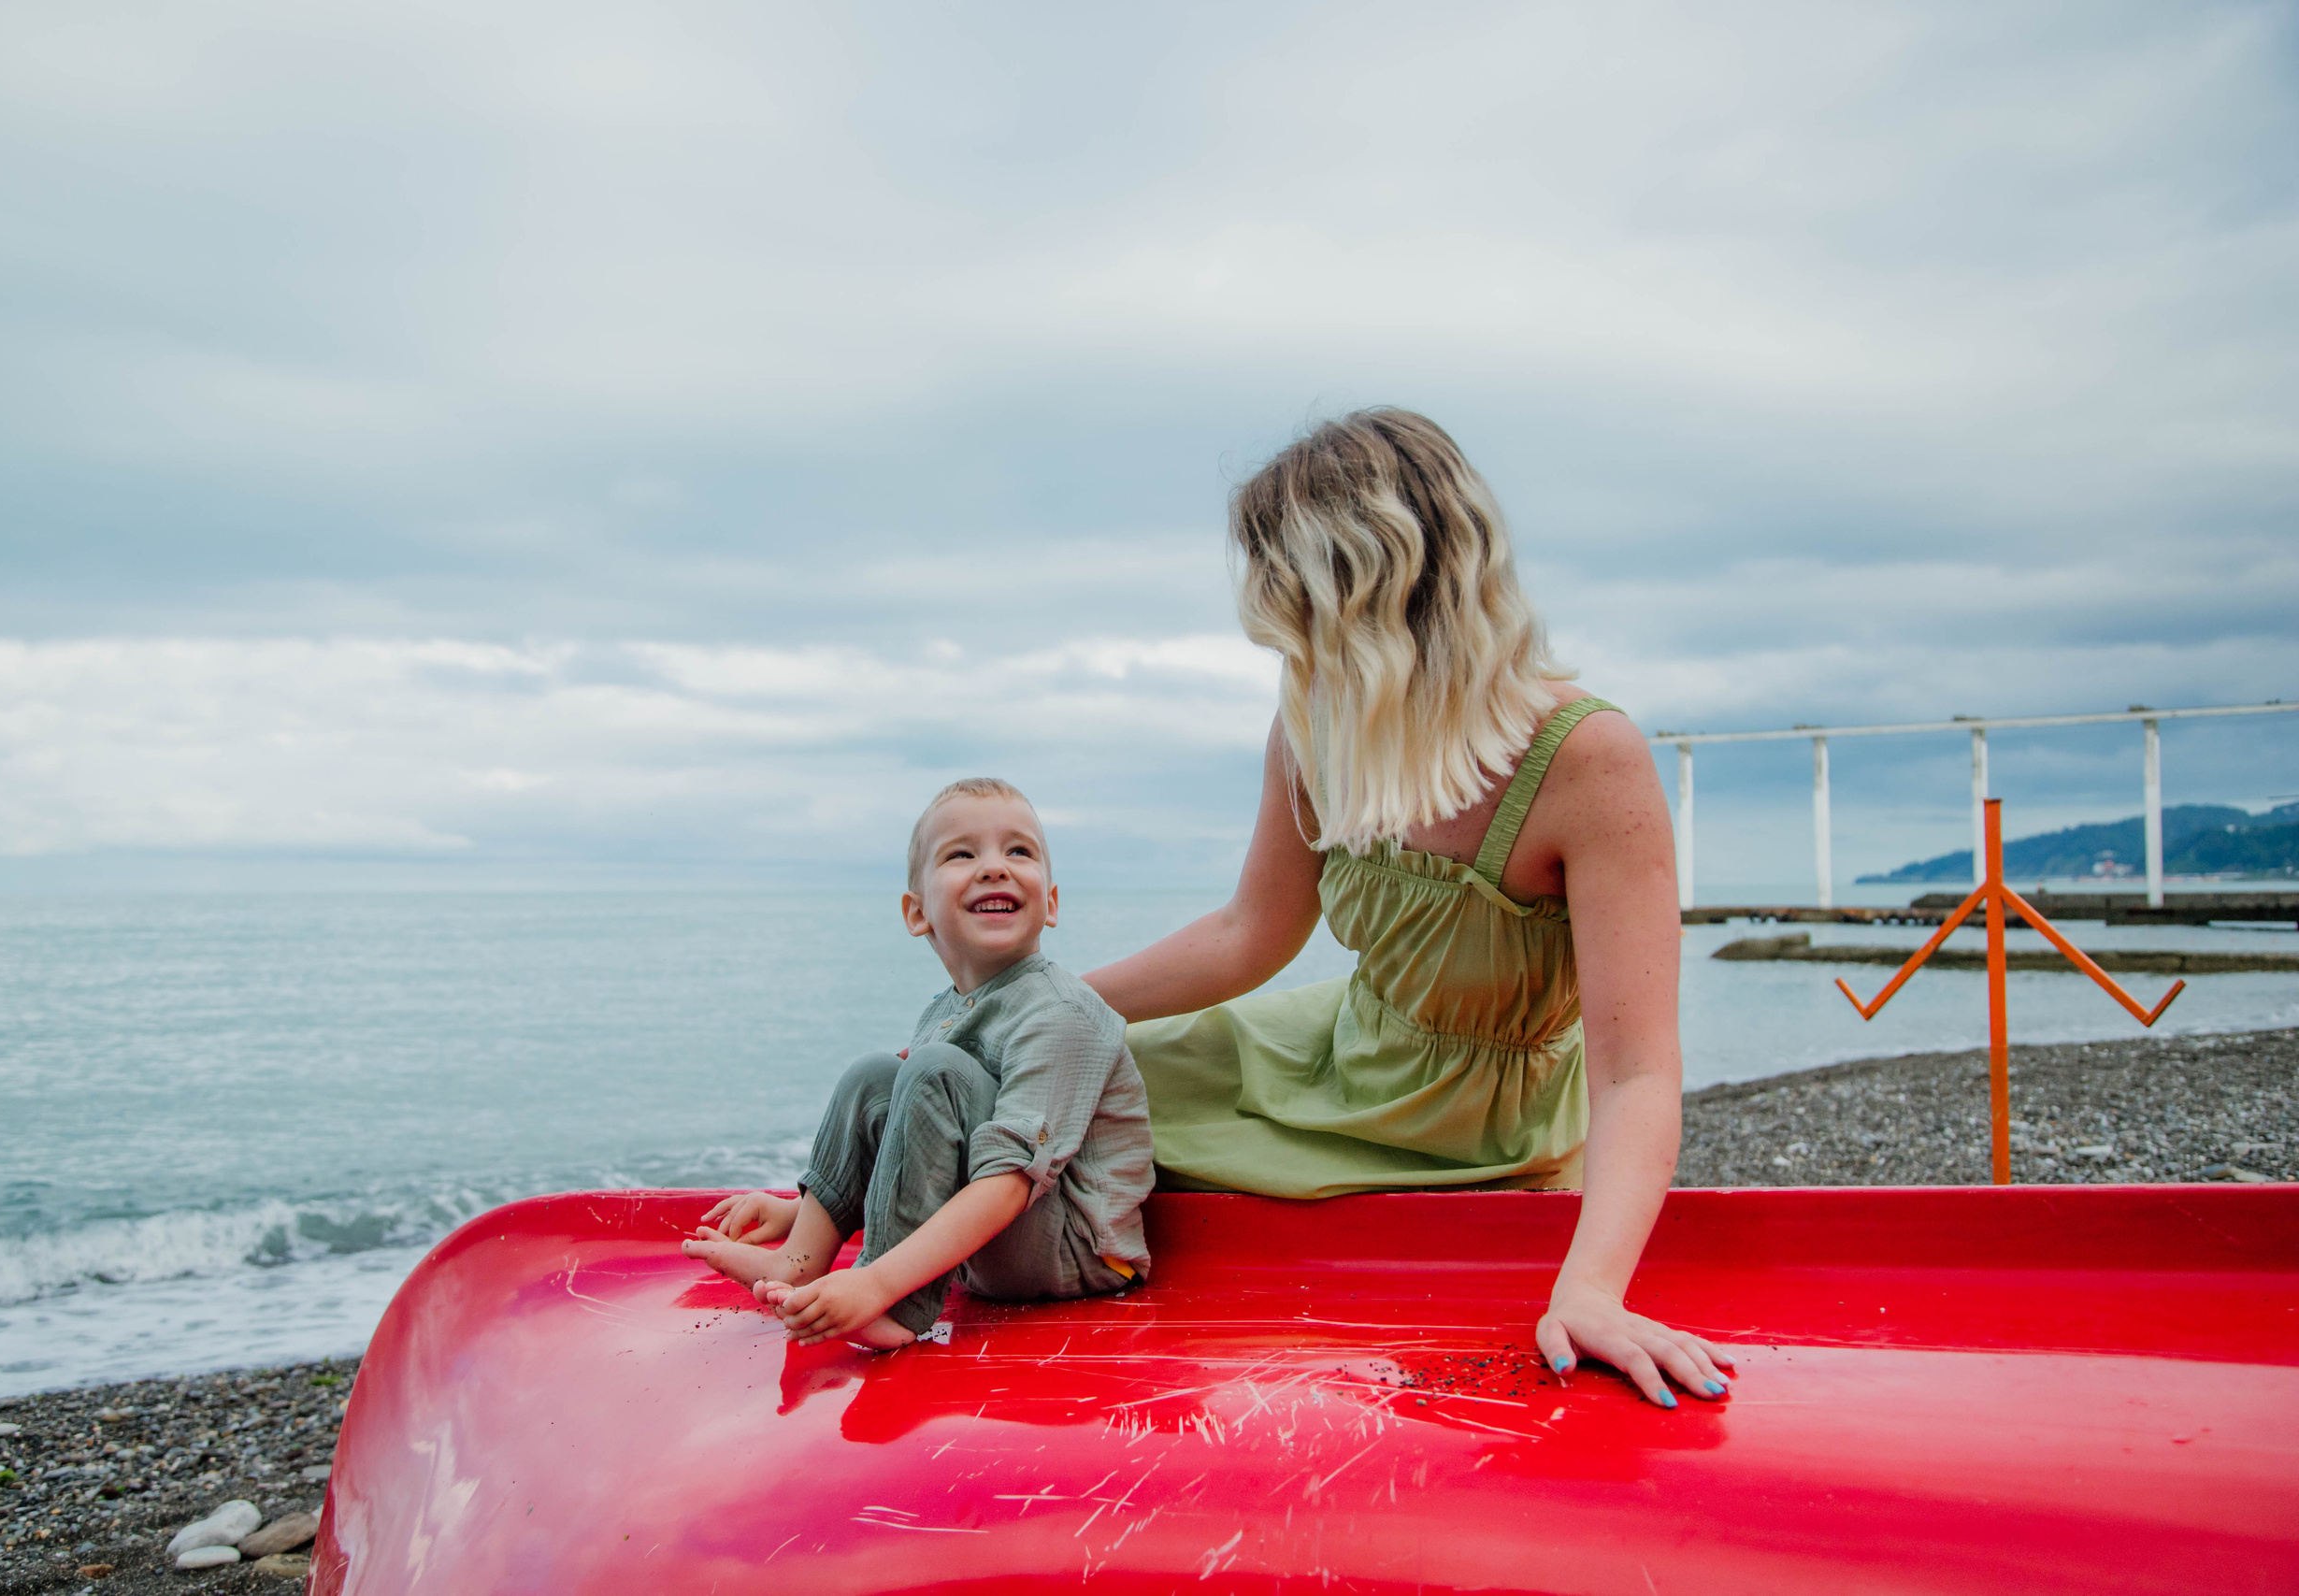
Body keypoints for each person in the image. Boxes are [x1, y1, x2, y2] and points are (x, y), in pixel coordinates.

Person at [1084, 409, 1731, 1407]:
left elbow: (1636, 1067)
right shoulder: (1312, 722)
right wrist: (1036, 1008)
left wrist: (1592, 1288)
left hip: (1486, 1129)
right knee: (1060, 1077)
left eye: (1294, 605)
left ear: (1366, 590)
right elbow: (1245, 935)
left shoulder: (1588, 759)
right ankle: (828, 1221)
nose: (1286, 641)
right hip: (1336, 1054)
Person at [684, 777, 1153, 1350]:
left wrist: (873, 1282)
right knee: (876, 1077)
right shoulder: (945, 1013)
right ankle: (798, 1261)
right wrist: (804, 1211)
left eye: (1019, 851)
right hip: (988, 1249)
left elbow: (1011, 1180)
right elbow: (913, 1144)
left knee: (930, 1070)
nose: (994, 867)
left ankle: (896, 1309)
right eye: (962, 854)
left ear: (1051, 903)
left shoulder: (1062, 1012)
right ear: (917, 913)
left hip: (1075, 1254)